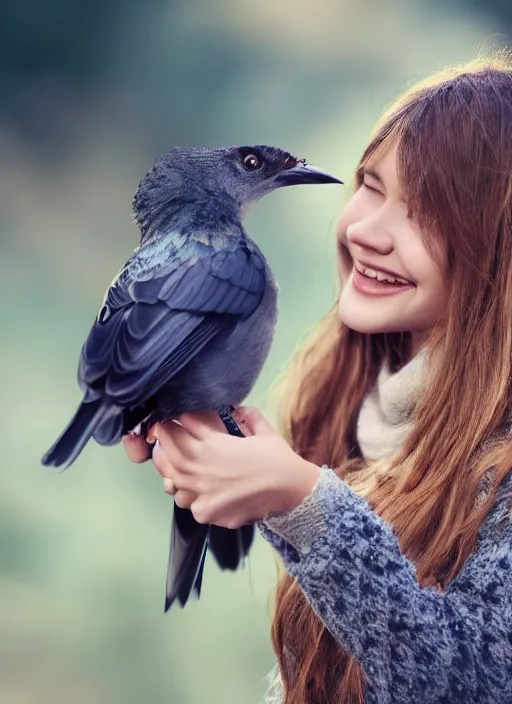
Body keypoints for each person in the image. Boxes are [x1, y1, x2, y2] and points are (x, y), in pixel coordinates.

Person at [123, 53, 512, 703]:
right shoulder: (345, 398)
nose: (368, 231)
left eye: (427, 212)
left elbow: (473, 684)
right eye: (370, 185)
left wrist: (305, 507)